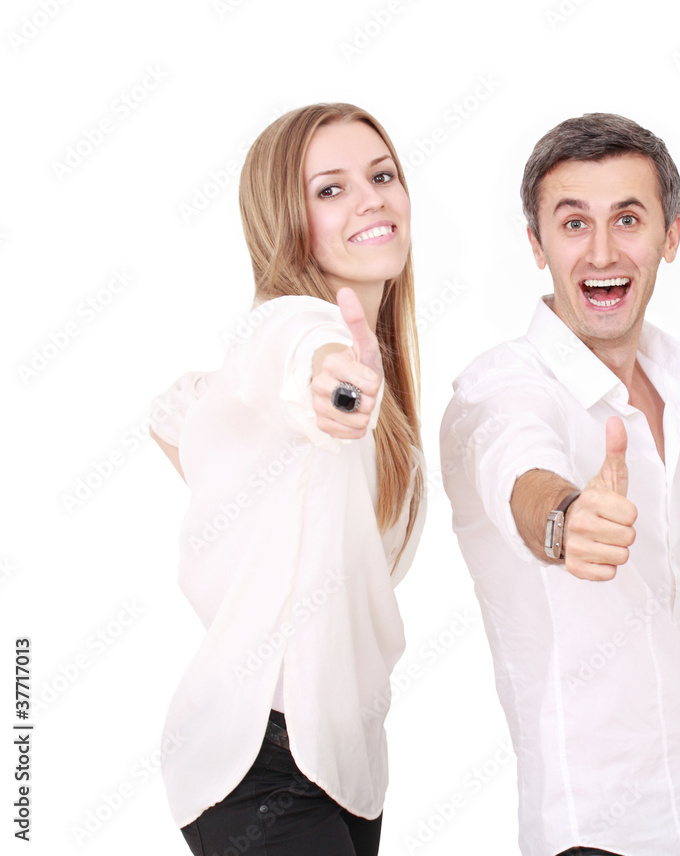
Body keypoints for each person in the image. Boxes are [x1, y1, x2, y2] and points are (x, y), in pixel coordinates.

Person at [440, 113, 680, 856]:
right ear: (537, 245)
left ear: (671, 236)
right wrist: (566, 521)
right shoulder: (498, 388)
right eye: (573, 224)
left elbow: (665, 575)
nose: (602, 252)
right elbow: (520, 473)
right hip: (606, 832)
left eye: (628, 219)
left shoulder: (672, 376)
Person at [149, 103, 425, 856]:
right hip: (256, 762)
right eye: (330, 189)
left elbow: (179, 411)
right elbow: (299, 355)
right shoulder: (294, 326)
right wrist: (335, 385)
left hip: (348, 766)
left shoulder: (391, 395)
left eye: (382, 176)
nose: (370, 200)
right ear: (287, 222)